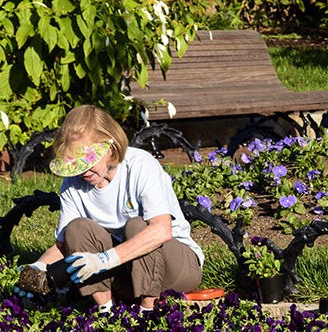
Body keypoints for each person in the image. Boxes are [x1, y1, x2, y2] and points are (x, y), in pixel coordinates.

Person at [25, 105, 204, 309]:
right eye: (75, 163)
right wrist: (37, 269)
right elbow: (63, 245)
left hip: (175, 269)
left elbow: (161, 231)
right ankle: (106, 312)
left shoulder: (140, 165)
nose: (82, 170)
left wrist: (104, 260)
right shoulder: (72, 184)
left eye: (87, 160)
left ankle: (148, 310)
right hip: (124, 273)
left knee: (137, 226)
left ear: (109, 148)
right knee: (77, 229)